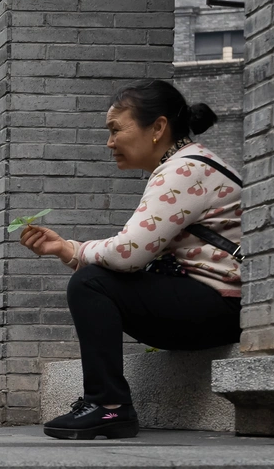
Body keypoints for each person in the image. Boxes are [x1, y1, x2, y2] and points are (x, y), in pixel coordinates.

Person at [19, 80, 242, 440]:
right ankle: (106, 405)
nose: (109, 143)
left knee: (91, 283)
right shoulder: (188, 165)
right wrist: (67, 250)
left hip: (222, 307)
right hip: (215, 305)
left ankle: (108, 407)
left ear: (157, 128)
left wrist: (73, 250)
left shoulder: (183, 171)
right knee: (95, 279)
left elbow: (129, 255)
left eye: (115, 130)